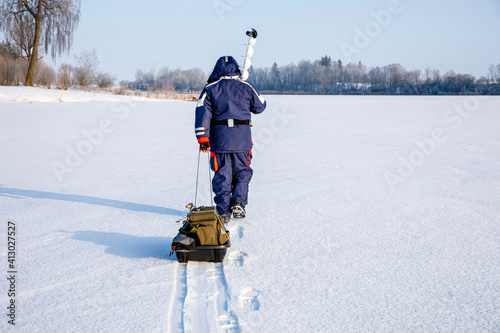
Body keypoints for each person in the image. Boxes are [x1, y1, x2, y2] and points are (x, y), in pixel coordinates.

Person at [195, 55, 266, 223]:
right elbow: (260, 106)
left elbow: (202, 112)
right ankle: (239, 201)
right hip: (242, 139)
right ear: (236, 69)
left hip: (219, 140)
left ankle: (223, 212)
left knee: (222, 174)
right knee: (242, 171)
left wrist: (202, 137)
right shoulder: (246, 86)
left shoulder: (210, 88)